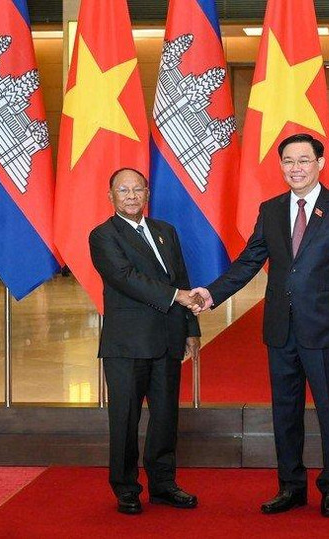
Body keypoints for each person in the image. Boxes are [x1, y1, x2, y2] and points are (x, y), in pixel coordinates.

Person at [192, 133, 329, 518]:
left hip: (326, 332)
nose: (296, 168)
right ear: (280, 166)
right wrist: (212, 294)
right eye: (288, 161)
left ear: (321, 164)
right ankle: (290, 486)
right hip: (280, 330)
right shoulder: (270, 210)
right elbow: (248, 261)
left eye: (304, 160)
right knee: (284, 411)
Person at [89, 168, 203, 515]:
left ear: (147, 194)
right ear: (111, 196)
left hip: (167, 340)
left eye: (137, 189)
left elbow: (181, 277)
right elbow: (126, 279)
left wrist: (191, 329)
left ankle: (164, 484)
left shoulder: (166, 231)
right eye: (123, 190)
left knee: (166, 416)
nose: (131, 195)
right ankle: (125, 488)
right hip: (127, 344)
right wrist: (178, 297)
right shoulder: (103, 236)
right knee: (124, 419)